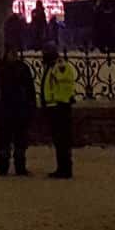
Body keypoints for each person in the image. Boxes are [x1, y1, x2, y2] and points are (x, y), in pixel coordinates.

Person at [0, 44, 36, 177]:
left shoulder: (22, 68)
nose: (13, 55)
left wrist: (30, 106)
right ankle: (3, 167)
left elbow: (30, 89)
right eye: (11, 52)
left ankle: (20, 167)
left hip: (19, 109)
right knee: (4, 140)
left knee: (20, 140)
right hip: (4, 109)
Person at [40, 45, 77, 179]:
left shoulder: (59, 66)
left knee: (62, 140)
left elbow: (63, 82)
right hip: (54, 106)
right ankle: (62, 167)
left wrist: (61, 100)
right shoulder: (52, 67)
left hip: (60, 107)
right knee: (59, 140)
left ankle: (65, 169)